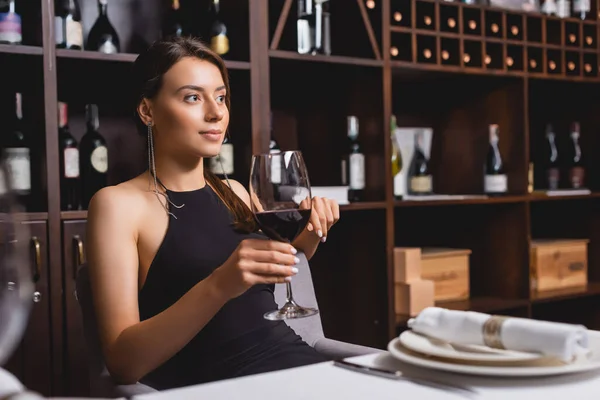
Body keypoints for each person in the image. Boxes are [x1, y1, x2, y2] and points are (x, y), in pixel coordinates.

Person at [85, 36, 340, 390]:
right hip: (226, 388)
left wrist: (311, 232)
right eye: (193, 97)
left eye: (220, 97)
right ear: (148, 111)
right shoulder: (117, 204)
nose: (216, 112)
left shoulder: (234, 190)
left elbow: (279, 268)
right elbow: (122, 363)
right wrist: (220, 285)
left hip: (300, 369)